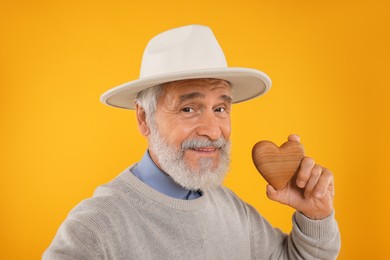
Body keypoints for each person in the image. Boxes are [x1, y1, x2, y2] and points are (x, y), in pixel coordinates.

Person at [43, 25, 340, 259]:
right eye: (188, 109)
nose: (213, 131)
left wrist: (315, 216)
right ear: (144, 118)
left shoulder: (231, 209)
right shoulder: (95, 228)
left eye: (220, 109)